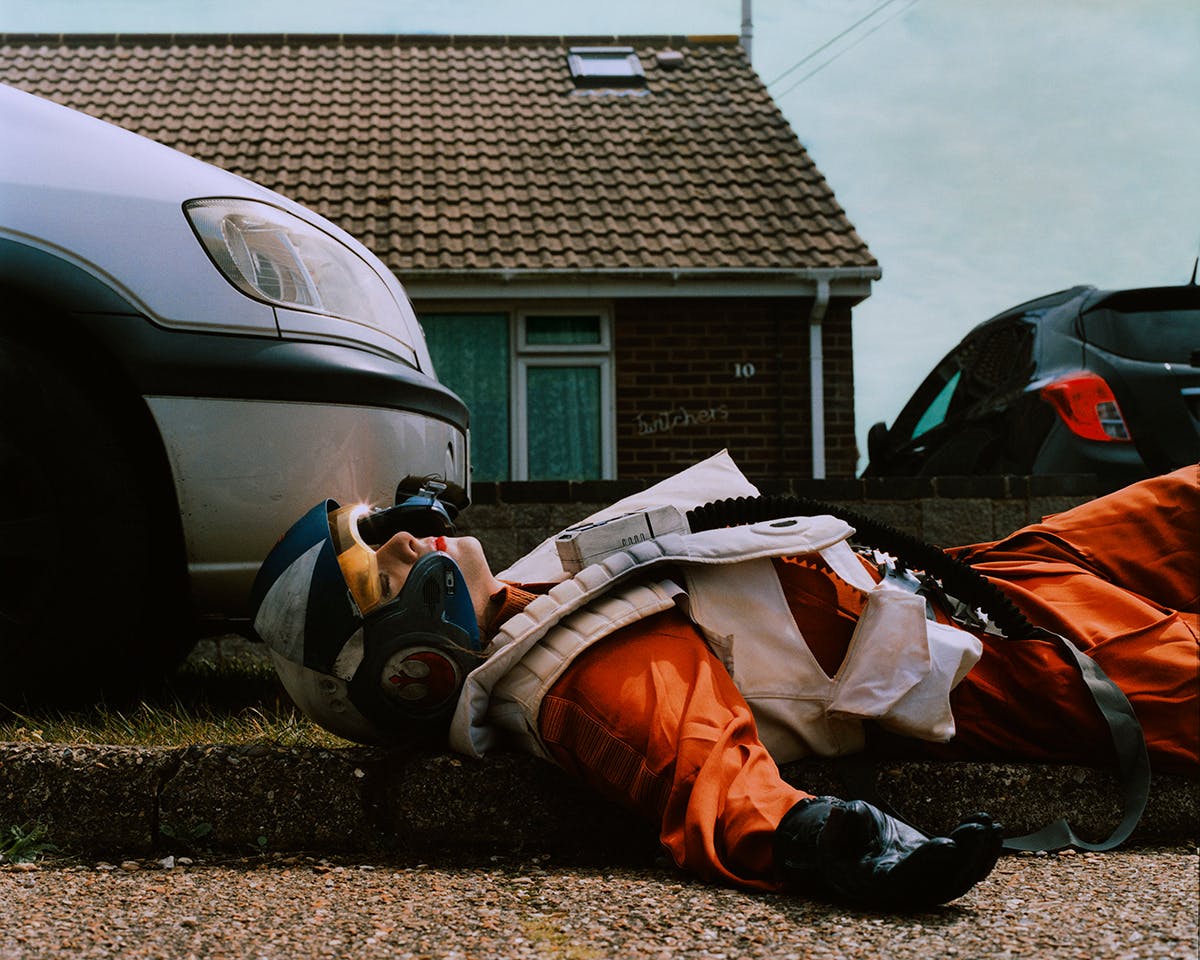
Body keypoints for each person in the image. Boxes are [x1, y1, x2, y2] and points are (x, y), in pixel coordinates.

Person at [251, 453, 1199, 911]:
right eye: (375, 563)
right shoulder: (564, 667)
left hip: (981, 571)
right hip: (1015, 655)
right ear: (409, 667)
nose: (408, 542)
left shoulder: (542, 582)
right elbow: (701, 769)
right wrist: (830, 840)